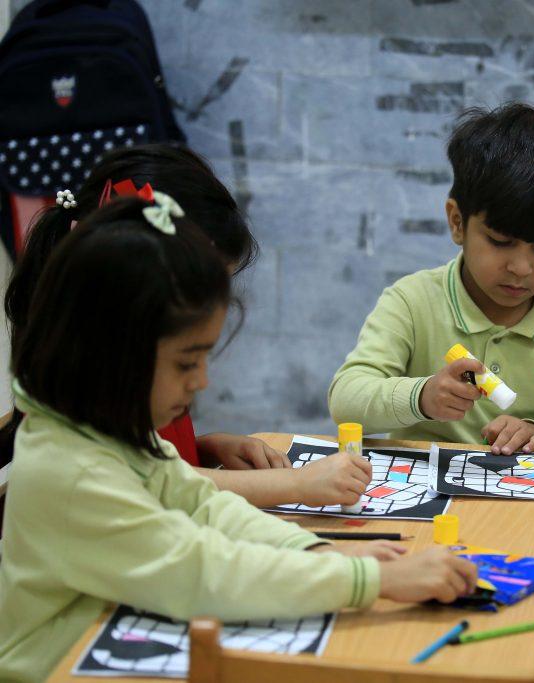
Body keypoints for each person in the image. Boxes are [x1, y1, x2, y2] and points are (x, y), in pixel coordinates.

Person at [0, 196, 477, 683]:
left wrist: (315, 552)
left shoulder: (102, 428)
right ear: (109, 356)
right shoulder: (74, 470)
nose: (202, 381)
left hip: (109, 636)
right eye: (187, 363)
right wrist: (369, 580)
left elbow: (202, 505)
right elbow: (203, 573)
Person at [1, 144, 370, 510]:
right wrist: (294, 484)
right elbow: (146, 483)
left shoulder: (121, 346)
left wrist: (205, 447)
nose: (201, 381)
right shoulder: (90, 371)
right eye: (187, 362)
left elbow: (155, 463)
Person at [329, 103, 534, 454]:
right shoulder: (411, 302)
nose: (521, 267)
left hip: (525, 499)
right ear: (457, 221)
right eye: (500, 242)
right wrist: (422, 397)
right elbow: (345, 401)